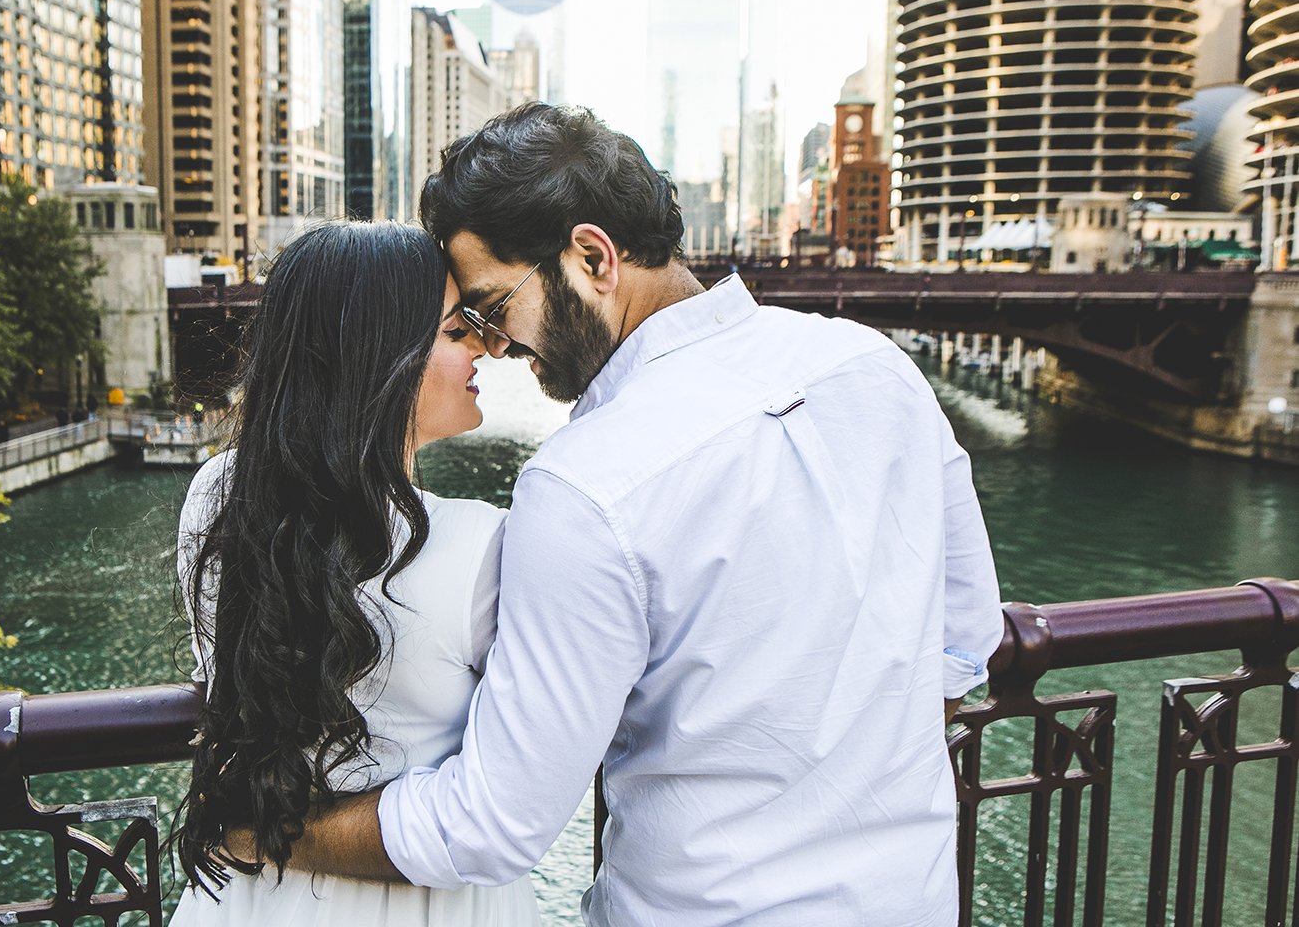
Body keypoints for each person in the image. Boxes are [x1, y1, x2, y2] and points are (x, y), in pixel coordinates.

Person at [254, 103, 1005, 926]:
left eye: (493, 306)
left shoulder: (585, 487)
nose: (495, 346)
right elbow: (963, 647)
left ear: (592, 257)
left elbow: (491, 825)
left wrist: (267, 835)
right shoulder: (874, 367)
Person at [168, 222, 542, 926]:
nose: (488, 347)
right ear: (379, 357)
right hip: (425, 904)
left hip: (247, 896)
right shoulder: (482, 544)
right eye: (456, 332)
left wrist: (254, 824)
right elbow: (508, 803)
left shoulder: (217, 495)